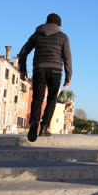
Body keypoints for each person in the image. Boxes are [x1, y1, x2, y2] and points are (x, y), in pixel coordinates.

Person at [18, 13, 72, 142]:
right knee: (52, 99)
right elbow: (67, 58)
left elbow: (23, 52)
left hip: (39, 69)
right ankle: (44, 127)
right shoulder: (63, 37)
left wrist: (23, 70)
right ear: (59, 25)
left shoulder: (37, 34)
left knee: (37, 97)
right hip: (56, 70)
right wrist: (68, 76)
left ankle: (35, 121)